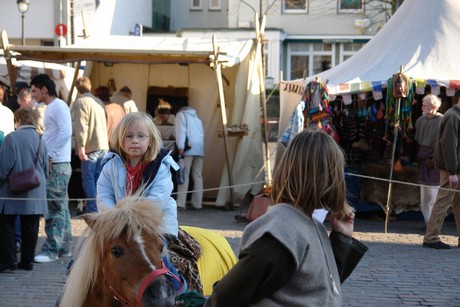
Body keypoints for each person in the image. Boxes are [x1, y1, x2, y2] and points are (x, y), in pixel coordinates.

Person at [204, 128, 368, 306]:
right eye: (336, 173)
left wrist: (341, 238)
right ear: (324, 177)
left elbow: (319, 288)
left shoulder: (311, 224)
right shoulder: (283, 231)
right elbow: (225, 296)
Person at [97, 112, 179, 237]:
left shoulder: (161, 168)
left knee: (162, 255)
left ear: (150, 140)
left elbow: (157, 201)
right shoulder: (110, 166)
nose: (135, 140)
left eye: (141, 136)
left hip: (156, 227)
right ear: (120, 139)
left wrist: (130, 219)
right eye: (129, 136)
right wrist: (115, 217)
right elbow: (104, 196)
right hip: (118, 225)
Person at [30, 74, 73, 263]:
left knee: (54, 208)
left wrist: (51, 155)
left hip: (57, 164)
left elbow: (66, 132)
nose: (33, 95)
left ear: (44, 89)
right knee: (61, 206)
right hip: (57, 163)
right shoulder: (54, 107)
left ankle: (51, 250)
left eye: (34, 91)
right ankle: (64, 247)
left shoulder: (58, 106)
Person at [0, 108, 48, 272]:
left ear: (18, 120)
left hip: (13, 190)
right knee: (31, 225)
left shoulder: (11, 138)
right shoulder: (41, 139)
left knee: (5, 222)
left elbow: (4, 167)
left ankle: (9, 261)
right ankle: (27, 261)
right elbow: (46, 168)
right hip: (35, 189)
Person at [423, 89, 460, 249]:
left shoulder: (454, 115)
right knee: (443, 201)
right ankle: (431, 237)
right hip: (451, 169)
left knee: (458, 204)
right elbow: (449, 145)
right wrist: (452, 172)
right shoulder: (452, 116)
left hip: (455, 168)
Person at [71, 77, 109, 213]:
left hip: (90, 146)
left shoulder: (81, 102)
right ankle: (100, 207)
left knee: (88, 179)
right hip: (103, 144)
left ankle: (92, 208)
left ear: (77, 89)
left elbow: (82, 126)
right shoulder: (98, 101)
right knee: (99, 179)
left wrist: (80, 147)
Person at [414, 94, 443, 229]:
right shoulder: (420, 120)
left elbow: (445, 143)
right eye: (422, 105)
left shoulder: (442, 120)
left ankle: (433, 224)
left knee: (434, 195)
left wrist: (436, 159)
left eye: (425, 105)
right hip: (423, 161)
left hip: (435, 162)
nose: (423, 107)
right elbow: (417, 142)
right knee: (424, 195)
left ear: (434, 107)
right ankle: (427, 222)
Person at [175, 106, 204, 210]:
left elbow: (180, 131)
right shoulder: (197, 119)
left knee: (184, 175)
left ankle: (181, 203)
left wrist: (180, 146)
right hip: (199, 149)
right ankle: (197, 203)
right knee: (198, 176)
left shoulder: (181, 115)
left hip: (188, 148)